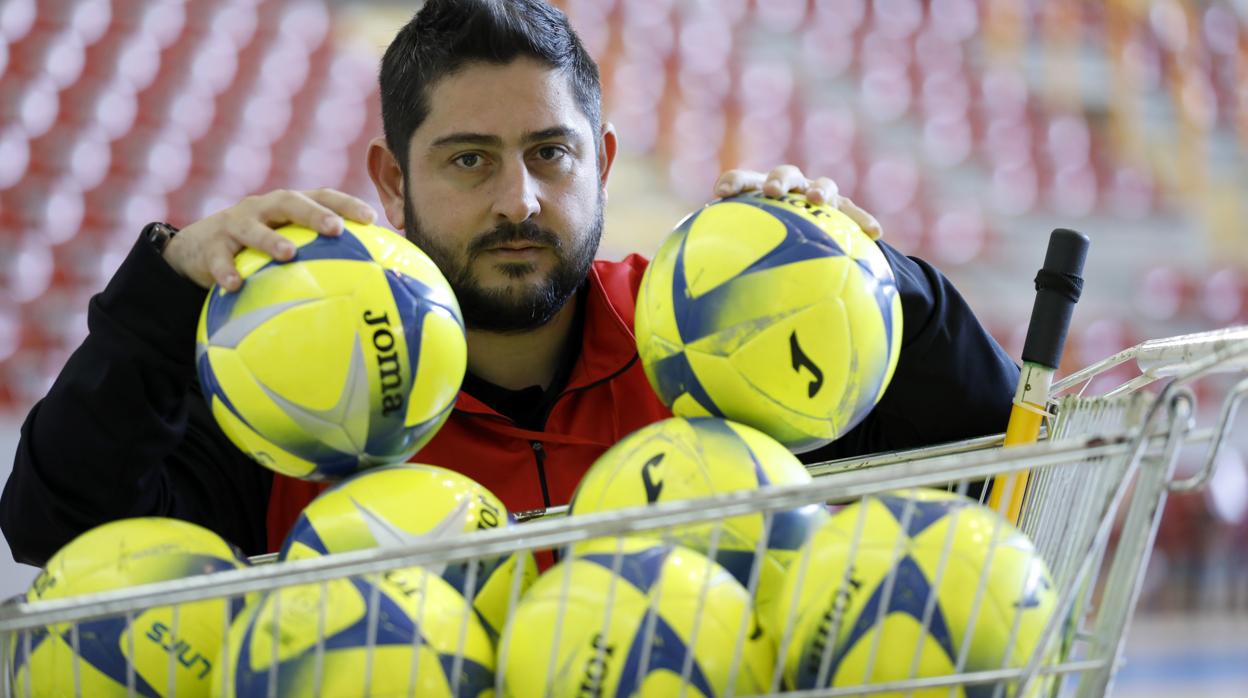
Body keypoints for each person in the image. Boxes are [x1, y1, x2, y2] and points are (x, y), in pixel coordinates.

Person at [0, 0, 1017, 566]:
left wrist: (864, 276)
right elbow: (62, 526)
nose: (520, 200)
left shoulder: (722, 339)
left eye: (551, 154)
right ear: (392, 179)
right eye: (470, 159)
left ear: (605, 163)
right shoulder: (299, 385)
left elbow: (995, 453)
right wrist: (165, 295)